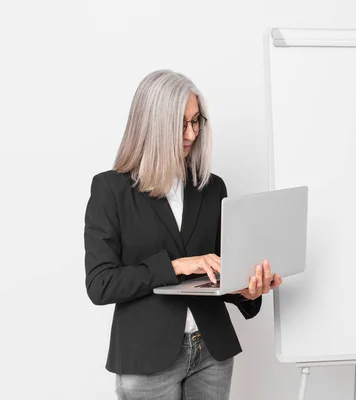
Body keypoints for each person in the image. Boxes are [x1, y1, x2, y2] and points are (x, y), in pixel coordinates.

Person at [83, 69, 282, 400]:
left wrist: (248, 290)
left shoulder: (211, 187)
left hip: (211, 353)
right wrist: (177, 266)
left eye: (196, 121)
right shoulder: (111, 189)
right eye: (180, 124)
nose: (191, 133)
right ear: (152, 124)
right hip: (146, 359)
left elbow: (218, 272)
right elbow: (100, 284)